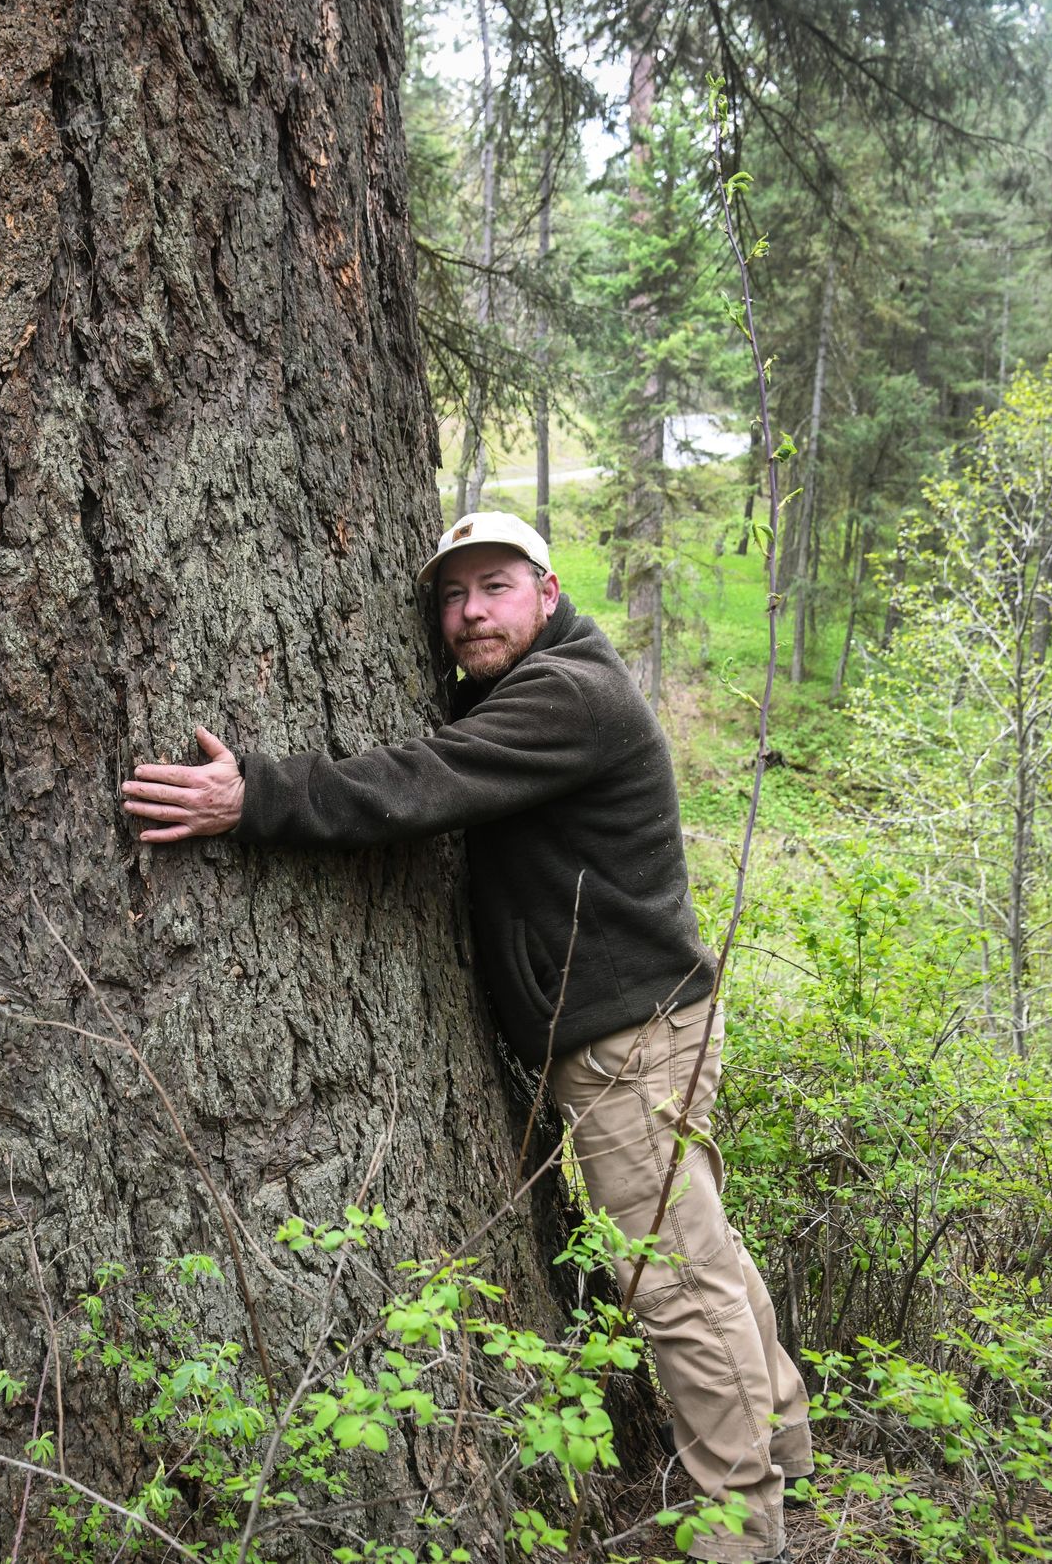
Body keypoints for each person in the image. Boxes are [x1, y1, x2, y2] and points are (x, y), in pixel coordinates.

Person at [119, 511, 811, 1563]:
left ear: (546, 587)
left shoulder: (569, 694)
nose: (469, 612)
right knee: (699, 1252)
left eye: (493, 587)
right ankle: (785, 1449)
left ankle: (739, 1533)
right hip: (644, 1021)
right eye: (452, 596)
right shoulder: (532, 683)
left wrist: (253, 793)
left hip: (629, 1038)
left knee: (673, 1279)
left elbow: (415, 784)